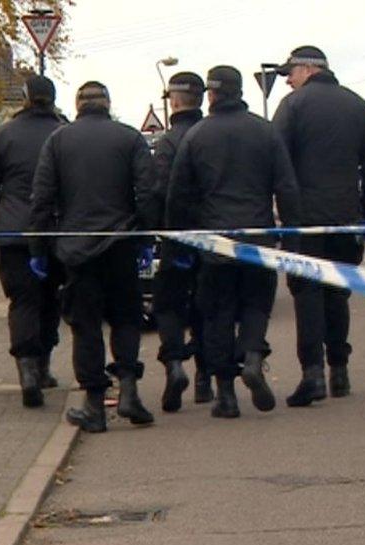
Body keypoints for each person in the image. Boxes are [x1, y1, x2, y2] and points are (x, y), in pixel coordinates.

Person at [167, 65, 301, 419]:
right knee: (257, 305)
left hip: (215, 244)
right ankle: (254, 358)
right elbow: (286, 186)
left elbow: (178, 196)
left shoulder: (197, 136)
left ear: (211, 95)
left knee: (217, 315)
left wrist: (180, 244)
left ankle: (225, 393)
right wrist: (290, 233)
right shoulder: (266, 132)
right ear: (239, 91)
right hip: (258, 237)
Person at [29, 81, 159, 433]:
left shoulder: (57, 141)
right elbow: (146, 192)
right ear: (108, 104)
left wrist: (38, 249)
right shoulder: (130, 138)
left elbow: (42, 199)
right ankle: (129, 390)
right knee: (127, 318)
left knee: (85, 326)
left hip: (77, 249)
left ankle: (94, 405)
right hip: (120, 244)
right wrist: (145, 238)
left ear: (78, 105)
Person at [271, 46, 365, 407]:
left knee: (306, 294)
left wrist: (283, 214)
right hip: (345, 217)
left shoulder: (293, 107)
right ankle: (340, 370)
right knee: (338, 293)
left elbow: (276, 163)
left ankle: (313, 375)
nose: (288, 80)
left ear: (309, 69)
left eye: (290, 72)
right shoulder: (357, 106)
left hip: (302, 221)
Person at [0, 75, 67, 409]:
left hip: (12, 232)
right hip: (54, 232)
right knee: (50, 299)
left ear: (24, 98)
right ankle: (43, 367)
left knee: (22, 302)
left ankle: (26, 370)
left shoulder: (4, 135)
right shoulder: (63, 132)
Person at [151, 71, 214, 412]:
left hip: (177, 238)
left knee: (169, 305)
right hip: (216, 238)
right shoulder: (212, 136)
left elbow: (158, 191)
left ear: (173, 101)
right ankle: (206, 379)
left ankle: (174, 364)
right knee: (207, 307)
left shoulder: (168, 143)